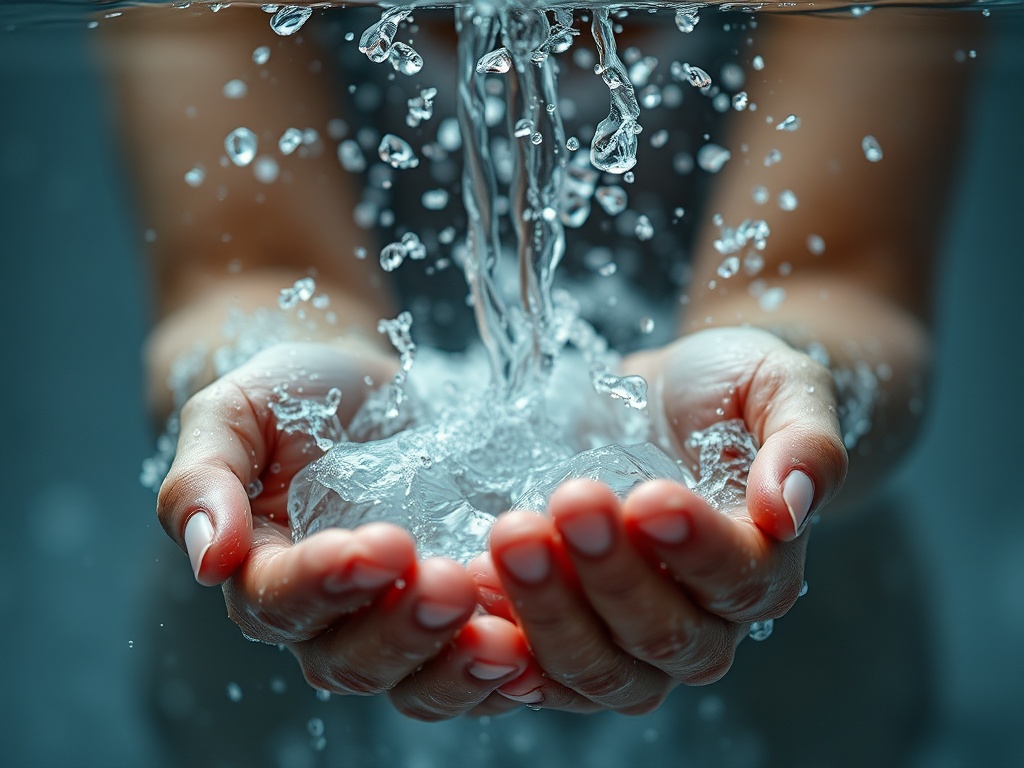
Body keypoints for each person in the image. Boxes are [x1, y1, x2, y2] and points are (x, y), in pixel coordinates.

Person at [103, 0, 971, 747]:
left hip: (786, 612)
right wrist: (252, 387)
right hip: (289, 595)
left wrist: (787, 397)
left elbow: (837, 283)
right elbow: (247, 275)